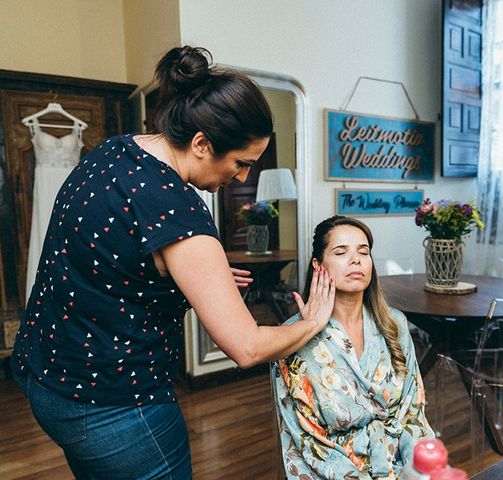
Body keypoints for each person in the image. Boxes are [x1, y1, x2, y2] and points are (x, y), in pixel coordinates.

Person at [10, 46, 334, 480]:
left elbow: (103, 264)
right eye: (241, 163)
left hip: (45, 377)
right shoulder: (178, 212)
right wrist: (311, 322)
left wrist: (201, 278)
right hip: (115, 409)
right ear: (201, 143)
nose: (241, 178)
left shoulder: (114, 152)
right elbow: (246, 347)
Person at [273, 215, 435, 479]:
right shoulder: (291, 337)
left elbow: (413, 412)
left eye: (364, 251)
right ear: (318, 265)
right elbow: (306, 439)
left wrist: (416, 471)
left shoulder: (395, 323)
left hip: (400, 465)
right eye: (341, 251)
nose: (356, 259)